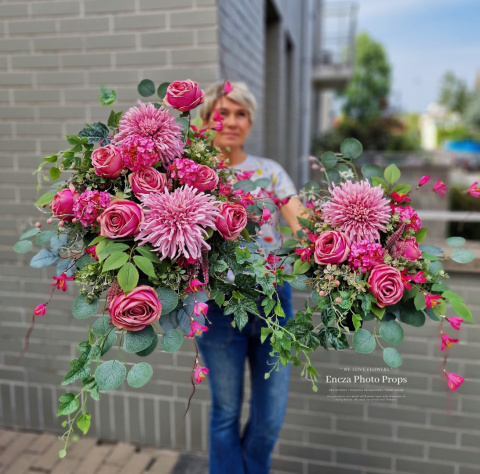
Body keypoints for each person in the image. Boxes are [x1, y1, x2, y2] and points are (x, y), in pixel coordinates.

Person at [196, 82, 304, 474]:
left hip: (275, 302)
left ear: (251, 121)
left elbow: (300, 220)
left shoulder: (270, 172)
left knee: (270, 418)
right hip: (220, 305)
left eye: (241, 113)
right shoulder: (192, 175)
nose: (231, 121)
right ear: (205, 120)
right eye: (222, 113)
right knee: (225, 412)